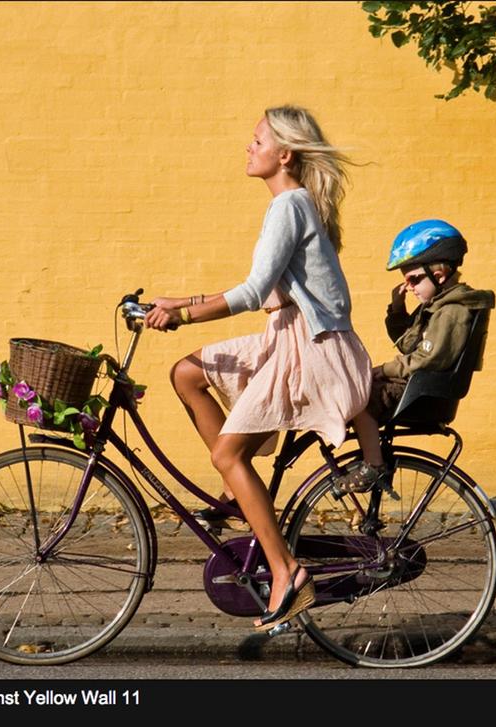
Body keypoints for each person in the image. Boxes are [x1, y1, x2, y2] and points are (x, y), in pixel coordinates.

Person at [144, 106, 371, 631]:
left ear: (284, 155)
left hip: (311, 352)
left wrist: (183, 315)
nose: (249, 148)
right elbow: (264, 289)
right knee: (187, 373)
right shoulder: (293, 205)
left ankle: (288, 573)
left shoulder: (288, 206)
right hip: (290, 335)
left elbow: (249, 294)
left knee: (228, 452)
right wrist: (182, 299)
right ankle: (237, 490)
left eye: (257, 141)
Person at [333, 219, 495, 494]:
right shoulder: (438, 306)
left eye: (414, 279)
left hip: (422, 394)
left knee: (358, 397)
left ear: (439, 275)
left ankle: (373, 465)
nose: (409, 287)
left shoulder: (452, 311)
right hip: (416, 387)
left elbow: (426, 359)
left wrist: (382, 370)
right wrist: (397, 310)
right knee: (351, 391)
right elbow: (409, 344)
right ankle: (369, 456)